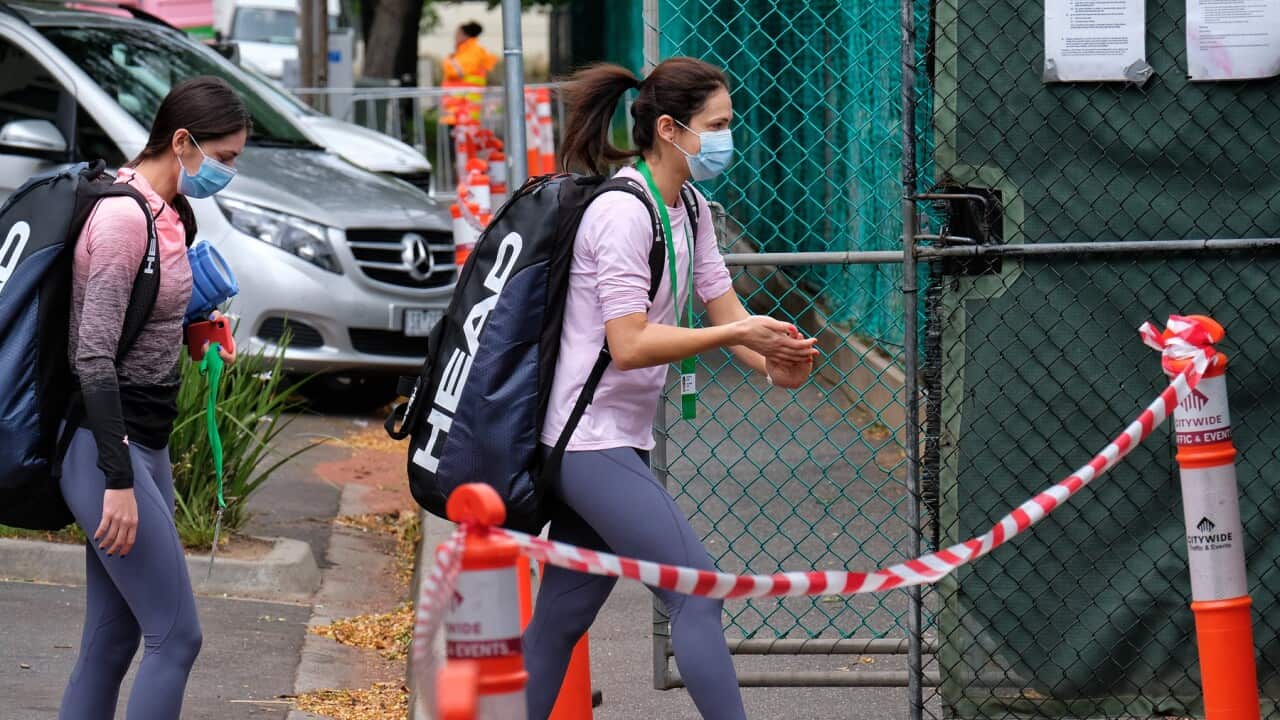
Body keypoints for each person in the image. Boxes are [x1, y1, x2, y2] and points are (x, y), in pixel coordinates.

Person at [521, 58, 818, 720]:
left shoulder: (687, 207)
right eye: (718, 125)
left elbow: (727, 314)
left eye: (729, 124)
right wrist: (736, 340)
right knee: (697, 588)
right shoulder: (623, 215)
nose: (727, 137)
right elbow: (628, 344)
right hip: (585, 442)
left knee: (558, 624)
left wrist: (774, 361)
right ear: (669, 127)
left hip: (610, 441)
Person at [58, 76, 248, 720]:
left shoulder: (173, 214)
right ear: (182, 141)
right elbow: (92, 355)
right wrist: (116, 479)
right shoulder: (120, 218)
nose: (227, 174)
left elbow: (149, 320)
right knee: (177, 637)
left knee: (115, 638)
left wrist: (197, 335)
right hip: (105, 449)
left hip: (147, 444)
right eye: (222, 160)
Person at [444, 21, 498, 89]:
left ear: (464, 35)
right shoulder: (465, 51)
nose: (455, 37)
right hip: (462, 96)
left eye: (457, 33)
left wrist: (450, 60)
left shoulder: (473, 51)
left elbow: (454, 72)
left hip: (464, 96)